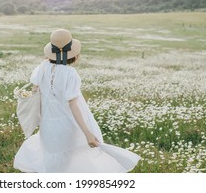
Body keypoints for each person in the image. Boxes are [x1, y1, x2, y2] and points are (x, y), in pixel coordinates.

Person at [14, 29, 140, 172]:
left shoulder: (42, 67)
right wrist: (87, 133)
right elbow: (73, 104)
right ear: (73, 54)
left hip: (47, 123)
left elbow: (35, 90)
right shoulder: (70, 74)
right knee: (69, 156)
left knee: (52, 155)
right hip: (67, 124)